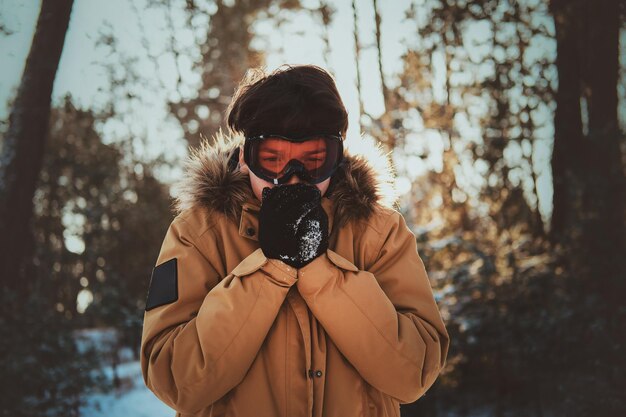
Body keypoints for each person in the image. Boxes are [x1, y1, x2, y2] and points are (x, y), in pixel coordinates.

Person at [140, 64, 450, 417]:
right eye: (272, 159)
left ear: (336, 160)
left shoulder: (378, 233)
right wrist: (270, 269)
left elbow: (414, 373)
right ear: (245, 159)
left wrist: (321, 270)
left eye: (314, 160)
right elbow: (172, 379)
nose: (292, 178)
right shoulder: (198, 234)